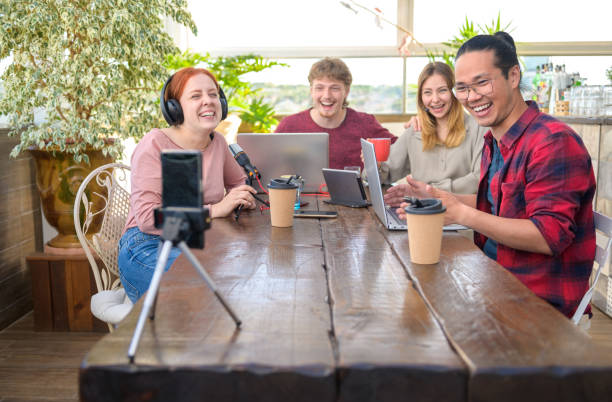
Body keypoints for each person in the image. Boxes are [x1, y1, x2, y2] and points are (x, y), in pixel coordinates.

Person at [390, 32, 596, 319]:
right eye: (461, 88)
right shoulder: (495, 140)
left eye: (482, 83)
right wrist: (437, 198)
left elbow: (548, 237)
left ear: (513, 76)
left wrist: (461, 213)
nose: (472, 97)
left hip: (537, 306)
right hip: (491, 281)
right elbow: (496, 206)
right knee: (403, 304)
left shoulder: (553, 141)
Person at [118, 67, 256, 303]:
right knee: (212, 284)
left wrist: (242, 196)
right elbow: (149, 218)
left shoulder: (218, 142)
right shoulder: (154, 144)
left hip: (198, 240)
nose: (208, 102)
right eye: (196, 96)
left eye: (213, 95)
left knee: (241, 273)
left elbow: (238, 183)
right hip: (148, 245)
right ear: (174, 108)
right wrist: (214, 210)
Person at [380, 62, 486, 200]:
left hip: (463, 215)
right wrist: (374, 164)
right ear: (421, 97)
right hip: (421, 212)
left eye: (442, 90)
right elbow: (385, 174)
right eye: (427, 92)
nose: (435, 99)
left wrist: (429, 192)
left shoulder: (479, 128)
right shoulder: (415, 130)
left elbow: (480, 180)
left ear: (454, 93)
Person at [275, 57, 396, 170]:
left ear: (346, 91)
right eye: (319, 88)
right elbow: (266, 165)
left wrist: (414, 124)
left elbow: (403, 151)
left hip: (355, 193)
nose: (327, 96)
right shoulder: (289, 126)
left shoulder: (365, 123)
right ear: (311, 91)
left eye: (335, 88)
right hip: (302, 193)